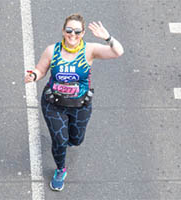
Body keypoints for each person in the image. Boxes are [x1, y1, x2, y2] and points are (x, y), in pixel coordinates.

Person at [24, 13, 124, 191]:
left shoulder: (90, 50)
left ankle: (68, 140)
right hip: (53, 104)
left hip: (80, 105)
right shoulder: (51, 50)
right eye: (69, 30)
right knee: (60, 140)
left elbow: (118, 52)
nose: (73, 35)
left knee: (76, 140)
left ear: (83, 33)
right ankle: (60, 169)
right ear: (63, 31)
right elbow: (41, 70)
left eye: (77, 31)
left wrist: (107, 38)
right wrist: (33, 76)